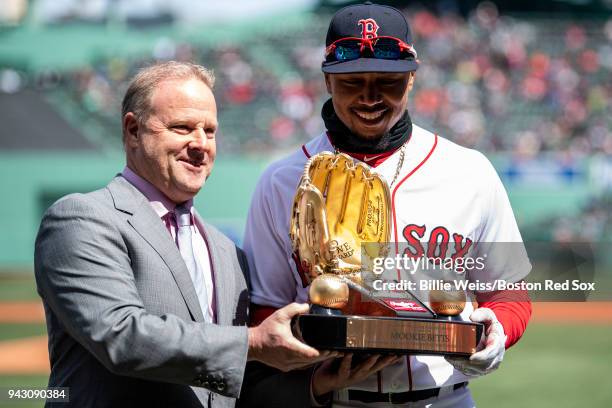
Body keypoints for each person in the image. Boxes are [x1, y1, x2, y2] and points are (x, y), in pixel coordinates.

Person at [243, 2, 532, 407]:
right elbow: (265, 309)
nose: (369, 95)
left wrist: (497, 330)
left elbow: (508, 292)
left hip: (442, 399)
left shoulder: (470, 171)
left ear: (411, 79)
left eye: (388, 80)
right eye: (351, 80)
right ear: (327, 81)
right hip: (333, 398)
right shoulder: (282, 181)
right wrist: (305, 351)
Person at [34, 61, 330, 408]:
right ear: (132, 130)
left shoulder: (226, 252)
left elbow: (228, 377)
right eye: (182, 127)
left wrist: (320, 384)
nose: (201, 144)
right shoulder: (82, 218)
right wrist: (250, 343)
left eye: (210, 130)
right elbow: (121, 336)